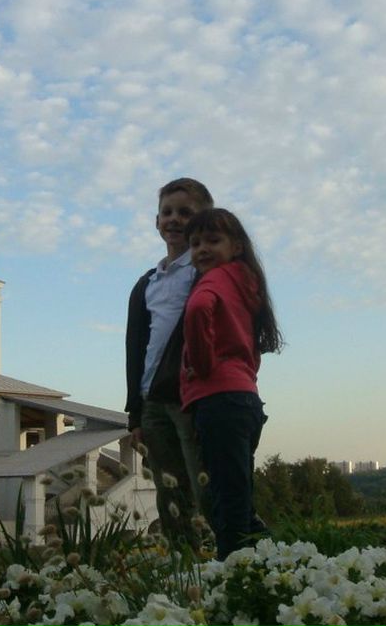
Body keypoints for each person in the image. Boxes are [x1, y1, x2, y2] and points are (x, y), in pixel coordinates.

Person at [180, 208, 282, 559]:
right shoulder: (246, 281)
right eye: (194, 244)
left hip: (218, 400)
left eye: (212, 240)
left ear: (236, 245)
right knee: (240, 492)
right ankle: (270, 563)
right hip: (245, 399)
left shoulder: (214, 280)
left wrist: (201, 363)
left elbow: (196, 311)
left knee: (228, 503)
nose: (201, 250)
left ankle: (234, 574)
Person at [125, 177, 213, 548]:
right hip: (154, 401)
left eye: (185, 212)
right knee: (169, 492)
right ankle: (183, 567)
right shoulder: (149, 282)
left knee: (205, 483)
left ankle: (222, 560)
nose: (174, 220)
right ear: (156, 221)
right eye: (167, 212)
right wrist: (135, 411)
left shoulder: (206, 273)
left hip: (193, 396)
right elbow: (136, 348)